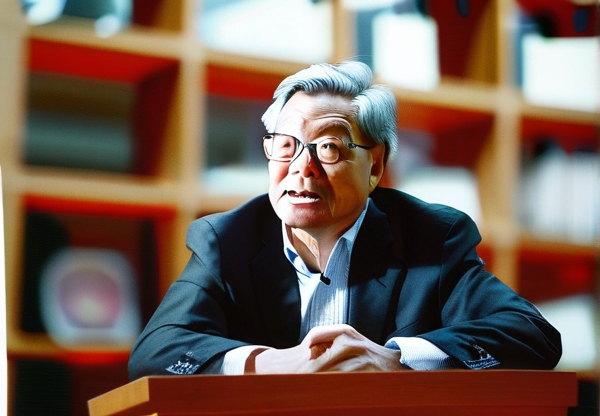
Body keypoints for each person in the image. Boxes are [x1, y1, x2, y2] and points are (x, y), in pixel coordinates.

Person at [128, 61, 561, 378]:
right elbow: (156, 352)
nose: (302, 168)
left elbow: (532, 335)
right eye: (285, 144)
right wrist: (271, 362)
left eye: (329, 148)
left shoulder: (432, 238)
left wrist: (394, 359)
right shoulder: (227, 240)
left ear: (375, 166)